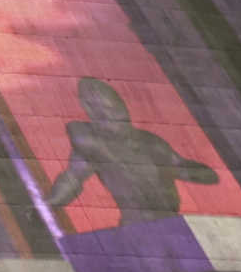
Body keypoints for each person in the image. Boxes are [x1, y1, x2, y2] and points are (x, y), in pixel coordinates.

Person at [43, 74, 218, 228]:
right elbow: (71, 179)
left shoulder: (151, 141)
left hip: (172, 220)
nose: (117, 115)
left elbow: (183, 168)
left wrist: (199, 173)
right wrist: (47, 205)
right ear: (93, 113)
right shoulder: (94, 147)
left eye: (118, 108)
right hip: (137, 224)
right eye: (109, 111)